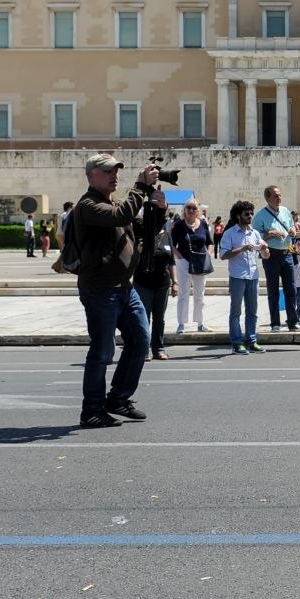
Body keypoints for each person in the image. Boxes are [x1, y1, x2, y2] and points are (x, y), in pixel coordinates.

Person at [72, 153, 158, 428]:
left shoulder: (112, 204)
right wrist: (141, 187)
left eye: (116, 171)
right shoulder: (88, 206)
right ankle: (91, 410)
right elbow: (123, 215)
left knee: (141, 341)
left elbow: (137, 224)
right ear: (91, 176)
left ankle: (118, 398)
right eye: (108, 171)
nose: (114, 175)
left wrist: (158, 208)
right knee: (102, 350)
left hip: (124, 287)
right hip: (100, 289)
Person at [220, 200, 268, 355]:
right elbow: (223, 255)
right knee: (236, 311)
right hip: (237, 276)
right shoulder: (230, 233)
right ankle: (236, 342)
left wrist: (266, 249)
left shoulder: (254, 233)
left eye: (251, 213)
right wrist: (241, 249)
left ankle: (251, 340)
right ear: (238, 215)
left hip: (253, 275)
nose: (250, 216)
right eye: (246, 214)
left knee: (252, 311)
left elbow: (265, 255)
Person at [252, 184, 300, 331]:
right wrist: (269, 234)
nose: (279, 198)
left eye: (280, 195)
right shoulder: (260, 216)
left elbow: (292, 228)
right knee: (273, 289)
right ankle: (275, 323)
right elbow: (254, 238)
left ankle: (293, 322)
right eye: (275, 196)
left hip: (286, 253)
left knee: (291, 289)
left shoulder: (286, 211)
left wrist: (293, 231)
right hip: (271, 255)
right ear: (268, 198)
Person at [133, 192, 176, 361]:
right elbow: (131, 258)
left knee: (160, 318)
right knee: (144, 317)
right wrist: (138, 251)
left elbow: (171, 260)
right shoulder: (140, 234)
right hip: (143, 282)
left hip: (162, 282)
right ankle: (143, 349)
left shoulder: (166, 236)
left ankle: (158, 348)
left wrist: (175, 282)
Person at [171, 198, 212, 334]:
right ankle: (181, 324)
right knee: (183, 294)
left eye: (194, 208)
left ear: (197, 211)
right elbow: (171, 244)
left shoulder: (203, 225)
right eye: (188, 207)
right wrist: (179, 257)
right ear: (184, 210)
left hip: (200, 261)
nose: (191, 210)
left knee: (199, 294)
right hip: (184, 262)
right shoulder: (179, 225)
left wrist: (209, 254)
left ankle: (200, 323)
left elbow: (210, 242)